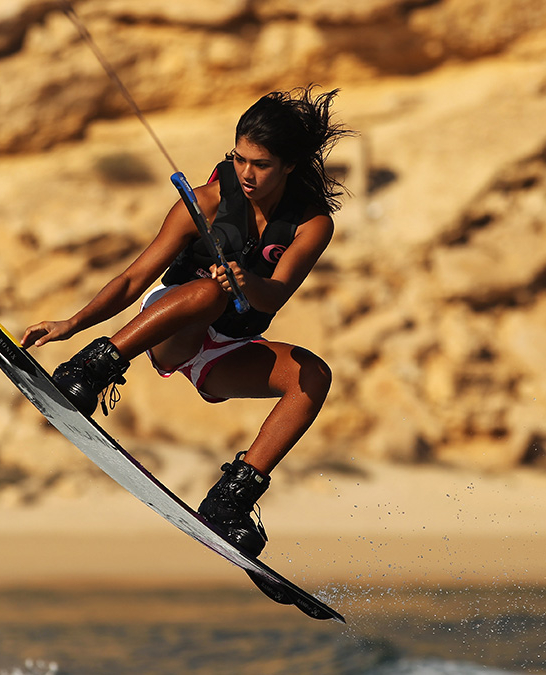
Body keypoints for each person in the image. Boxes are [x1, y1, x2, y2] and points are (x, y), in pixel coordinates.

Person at [21, 86, 352, 557]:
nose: (247, 173)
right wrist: (72, 323)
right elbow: (134, 277)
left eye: (261, 165)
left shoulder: (312, 224)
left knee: (314, 376)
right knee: (207, 292)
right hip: (172, 323)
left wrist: (243, 281)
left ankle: (230, 500)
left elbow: (275, 292)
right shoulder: (207, 202)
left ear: (290, 166)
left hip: (228, 347)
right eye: (239, 159)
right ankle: (89, 370)